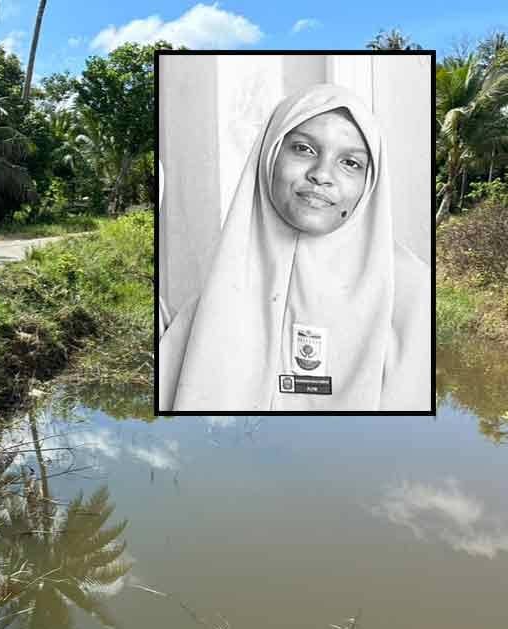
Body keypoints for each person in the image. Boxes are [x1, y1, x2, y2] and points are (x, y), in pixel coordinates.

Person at [158, 83, 430, 412]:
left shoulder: (413, 294)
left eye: (350, 163)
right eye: (303, 149)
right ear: (269, 155)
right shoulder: (214, 300)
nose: (321, 175)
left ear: (370, 182)